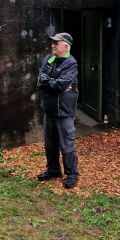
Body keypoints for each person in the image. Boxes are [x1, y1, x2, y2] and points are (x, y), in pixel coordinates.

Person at [36, 33, 80, 189]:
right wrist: (53, 83)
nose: (53, 45)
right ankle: (53, 170)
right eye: (52, 43)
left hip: (64, 112)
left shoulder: (71, 63)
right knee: (50, 144)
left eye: (56, 43)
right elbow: (40, 81)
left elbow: (62, 84)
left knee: (67, 145)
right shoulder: (49, 59)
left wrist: (52, 83)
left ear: (66, 46)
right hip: (49, 110)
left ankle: (72, 174)